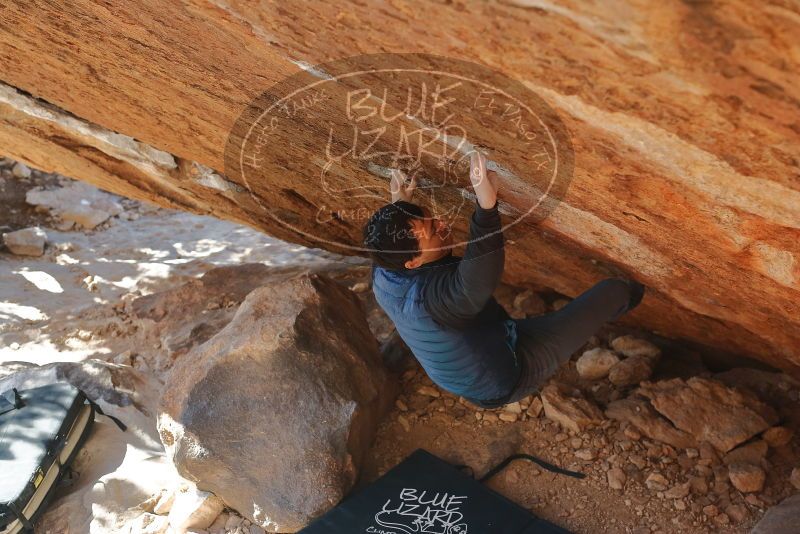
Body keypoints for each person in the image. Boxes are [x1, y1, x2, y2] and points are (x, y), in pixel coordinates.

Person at [362, 152, 644, 408]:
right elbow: (479, 277)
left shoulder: (385, 270)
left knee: (492, 322)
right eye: (434, 230)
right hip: (504, 377)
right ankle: (635, 296)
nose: (443, 224)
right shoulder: (439, 300)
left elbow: (394, 246)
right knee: (613, 290)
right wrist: (486, 206)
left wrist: (400, 205)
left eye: (433, 219)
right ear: (412, 262)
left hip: (481, 347)